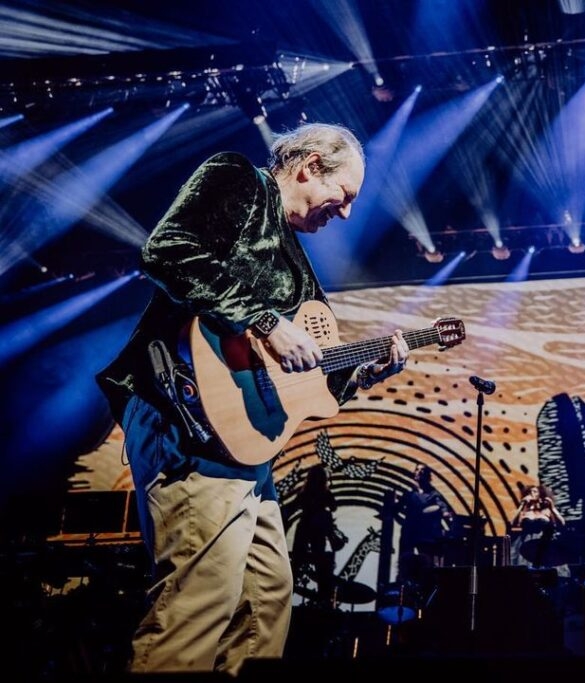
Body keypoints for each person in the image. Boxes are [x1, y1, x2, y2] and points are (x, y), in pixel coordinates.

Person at [95, 122, 410, 676]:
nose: (345, 214)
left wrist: (362, 375)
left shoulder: (295, 256)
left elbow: (304, 380)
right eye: (344, 197)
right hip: (187, 420)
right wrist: (263, 320)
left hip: (241, 445)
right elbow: (167, 250)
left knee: (264, 603)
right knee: (199, 603)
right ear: (309, 167)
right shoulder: (237, 178)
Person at [290, 464, 347, 608]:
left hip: (305, 529)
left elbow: (293, 507)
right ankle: (322, 600)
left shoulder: (305, 493)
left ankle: (287, 595)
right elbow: (334, 506)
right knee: (319, 563)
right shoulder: (324, 493)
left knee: (297, 565)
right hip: (316, 531)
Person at [397, 464, 453, 588]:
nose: (419, 472)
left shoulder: (433, 494)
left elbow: (442, 507)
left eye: (422, 471)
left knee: (426, 563)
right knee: (405, 563)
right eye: (417, 470)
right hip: (409, 533)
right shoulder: (409, 495)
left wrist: (446, 513)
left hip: (425, 535)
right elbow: (396, 509)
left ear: (427, 476)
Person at [510, 483, 566, 570]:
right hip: (525, 543)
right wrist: (522, 505)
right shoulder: (525, 510)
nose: (531, 493)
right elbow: (512, 523)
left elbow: (562, 523)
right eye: (530, 492)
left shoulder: (547, 509)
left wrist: (552, 508)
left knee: (544, 571)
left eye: (535, 491)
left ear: (541, 494)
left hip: (543, 543)